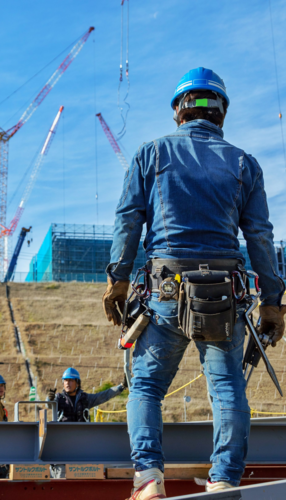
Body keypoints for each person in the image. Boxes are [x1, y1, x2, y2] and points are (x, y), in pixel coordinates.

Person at [102, 67, 286, 499]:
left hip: (164, 292)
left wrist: (118, 280)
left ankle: (149, 479)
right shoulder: (244, 164)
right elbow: (260, 236)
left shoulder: (151, 154)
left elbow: (128, 221)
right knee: (227, 389)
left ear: (178, 111)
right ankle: (223, 481)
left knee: (147, 387)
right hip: (223, 296)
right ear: (222, 112)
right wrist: (273, 301)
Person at [47, 367, 127, 422]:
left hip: (83, 434)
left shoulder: (85, 398)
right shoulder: (58, 398)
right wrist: (50, 399)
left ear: (77, 383)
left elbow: (104, 396)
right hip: (63, 434)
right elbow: (49, 405)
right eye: (65, 380)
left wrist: (121, 386)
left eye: (71, 380)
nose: (67, 383)